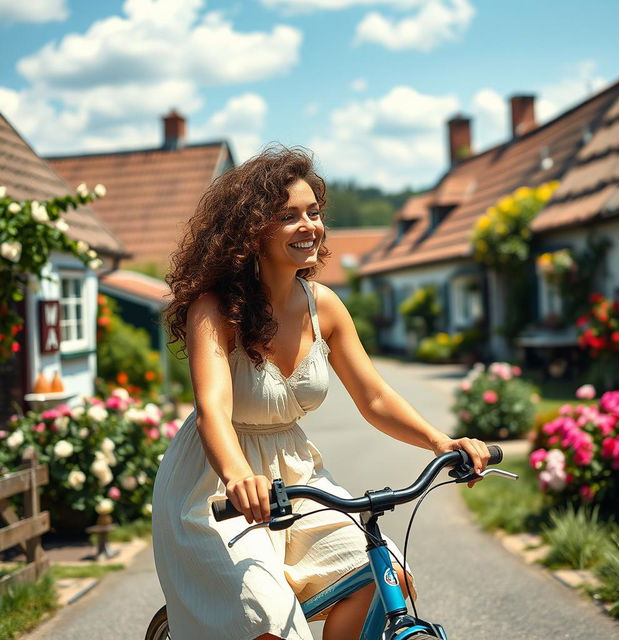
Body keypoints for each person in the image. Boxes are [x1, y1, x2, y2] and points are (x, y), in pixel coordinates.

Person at [153, 146, 491, 640]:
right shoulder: (214, 309)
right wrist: (238, 476)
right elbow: (213, 411)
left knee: (385, 575)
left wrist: (441, 442)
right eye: (289, 216)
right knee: (266, 619)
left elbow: (374, 397)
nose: (310, 225)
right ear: (251, 231)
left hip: (295, 473)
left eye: (314, 212)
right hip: (216, 484)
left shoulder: (325, 306)